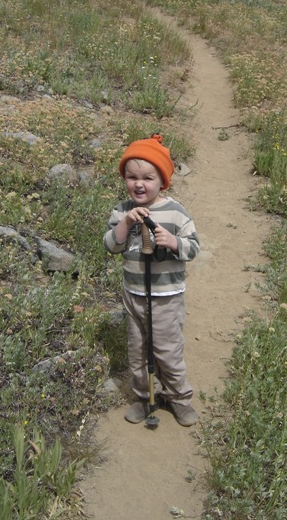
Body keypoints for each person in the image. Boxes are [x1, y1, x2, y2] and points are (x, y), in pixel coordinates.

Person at [103, 134, 200, 426]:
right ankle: (144, 399)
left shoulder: (175, 212)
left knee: (167, 350)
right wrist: (126, 223)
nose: (139, 184)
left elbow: (193, 247)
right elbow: (110, 245)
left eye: (147, 177)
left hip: (166, 296)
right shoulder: (122, 210)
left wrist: (172, 242)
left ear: (162, 181)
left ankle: (178, 398)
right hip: (134, 294)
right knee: (138, 350)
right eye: (131, 177)